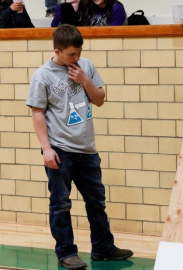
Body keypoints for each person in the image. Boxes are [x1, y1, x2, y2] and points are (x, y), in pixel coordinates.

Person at [26, 24, 133, 270]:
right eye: (71, 54)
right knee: (61, 203)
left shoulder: (86, 66)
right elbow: (37, 113)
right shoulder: (42, 75)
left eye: (79, 53)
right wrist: (46, 148)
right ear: (57, 50)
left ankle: (103, 248)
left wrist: (84, 80)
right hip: (60, 149)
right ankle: (66, 253)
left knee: (97, 201)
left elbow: (99, 100)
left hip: (86, 148)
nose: (76, 58)